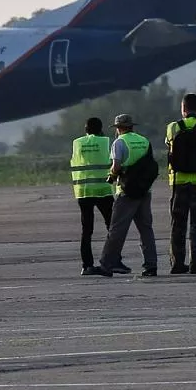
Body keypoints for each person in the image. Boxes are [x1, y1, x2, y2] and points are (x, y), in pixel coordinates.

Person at [93, 114, 159, 277]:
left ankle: (107, 264)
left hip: (126, 191)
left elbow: (116, 166)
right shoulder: (144, 141)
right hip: (144, 191)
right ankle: (151, 265)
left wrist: (112, 175)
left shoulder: (119, 142)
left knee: (117, 229)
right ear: (131, 126)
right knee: (146, 229)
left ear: (118, 128)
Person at [164, 93, 196, 274]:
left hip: (178, 184)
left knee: (177, 224)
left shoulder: (172, 128)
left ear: (183, 110)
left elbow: (169, 149)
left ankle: (177, 263)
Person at [71, 117, 124, 276]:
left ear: (85, 130)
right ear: (101, 130)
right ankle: (113, 260)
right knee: (112, 227)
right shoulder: (105, 142)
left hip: (83, 191)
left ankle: (87, 265)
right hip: (103, 190)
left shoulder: (77, 143)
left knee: (86, 230)